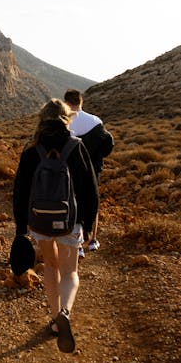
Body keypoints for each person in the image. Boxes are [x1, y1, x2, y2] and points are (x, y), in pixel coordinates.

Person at [13, 99, 99, 353]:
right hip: (69, 222)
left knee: (50, 266)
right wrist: (88, 222)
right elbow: (90, 190)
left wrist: (21, 229)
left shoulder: (32, 150)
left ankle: (54, 319)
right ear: (66, 118)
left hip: (39, 221)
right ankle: (65, 312)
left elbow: (19, 192)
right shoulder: (76, 146)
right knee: (70, 271)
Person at [64, 89, 114, 255]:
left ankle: (76, 244)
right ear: (81, 101)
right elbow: (108, 144)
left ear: (66, 103)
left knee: (72, 203)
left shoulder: (64, 121)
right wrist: (96, 157)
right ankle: (92, 240)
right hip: (92, 169)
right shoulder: (95, 121)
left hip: (70, 171)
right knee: (92, 201)